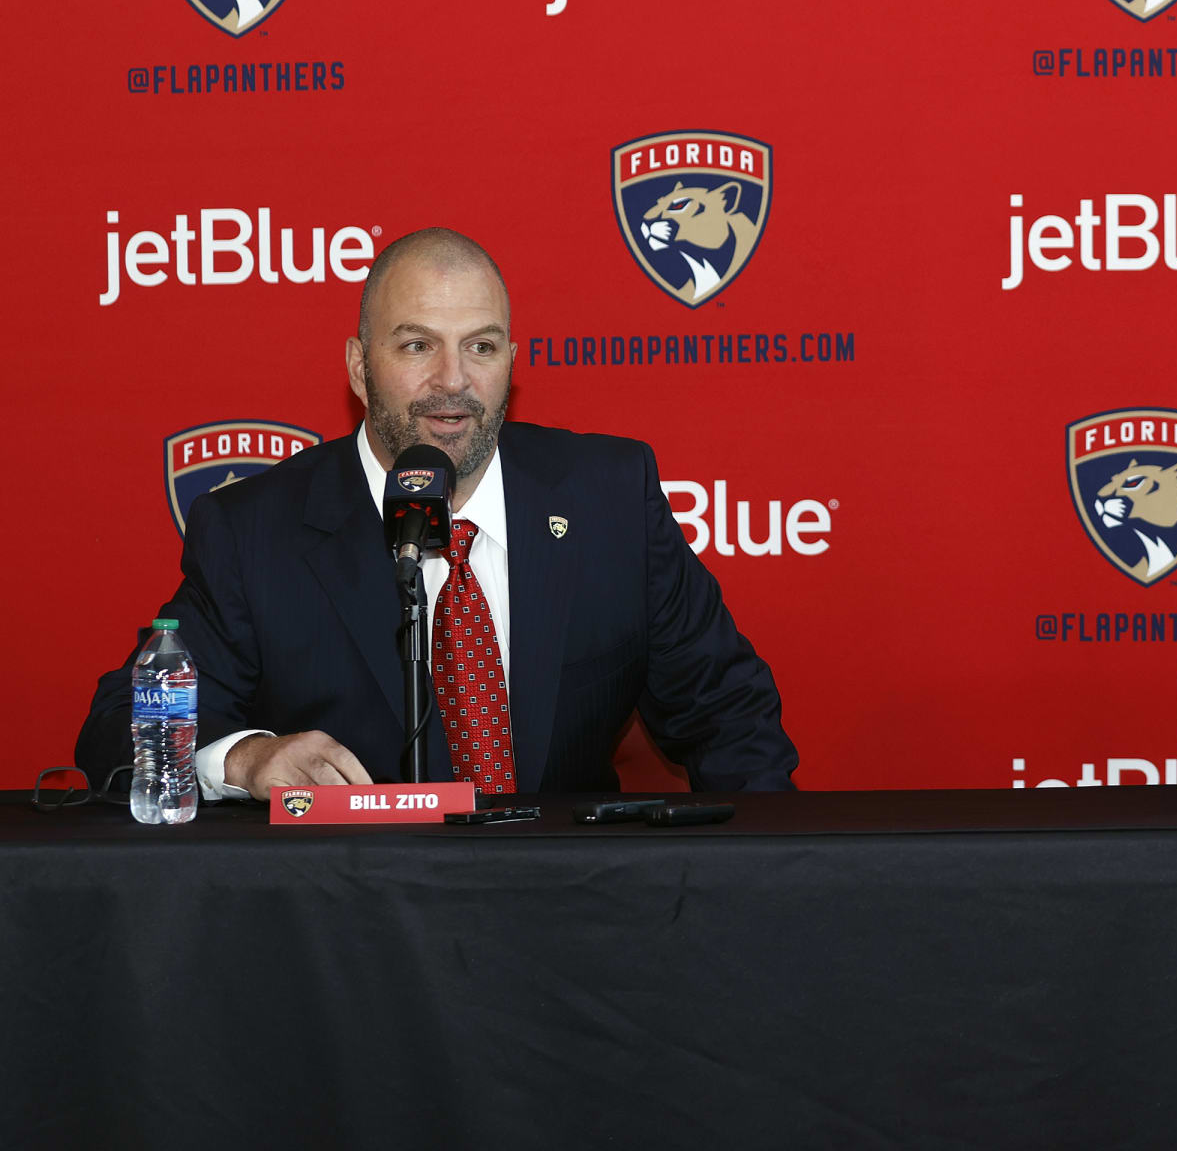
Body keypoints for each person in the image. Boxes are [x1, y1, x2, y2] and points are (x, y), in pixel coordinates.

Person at [77, 228, 797, 798]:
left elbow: (731, 718)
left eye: (480, 347)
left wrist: (755, 893)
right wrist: (248, 758)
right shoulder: (253, 532)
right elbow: (120, 728)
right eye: (418, 345)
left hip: (572, 915)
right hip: (355, 930)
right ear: (360, 368)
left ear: (512, 363)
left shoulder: (608, 497)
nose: (452, 381)